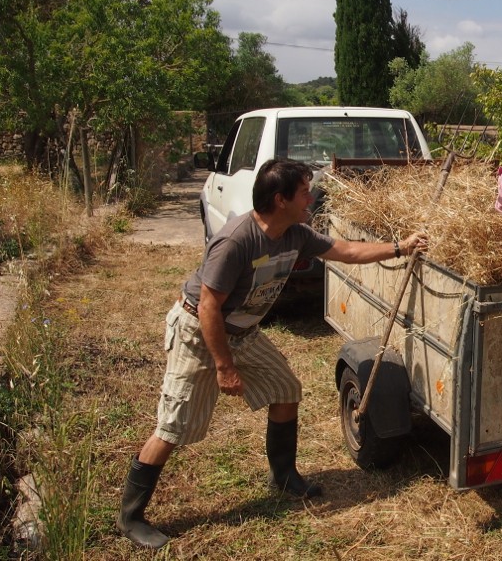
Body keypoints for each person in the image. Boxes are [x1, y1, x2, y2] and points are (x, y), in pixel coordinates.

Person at [116, 158, 426, 549]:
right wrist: (224, 366)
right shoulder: (237, 241)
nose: (311, 198)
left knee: (285, 389)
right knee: (174, 426)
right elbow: (209, 306)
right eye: (304, 192)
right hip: (199, 332)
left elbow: (346, 250)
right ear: (280, 200)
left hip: (242, 332)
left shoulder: (295, 234)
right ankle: (131, 516)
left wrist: (400, 247)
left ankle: (283, 475)